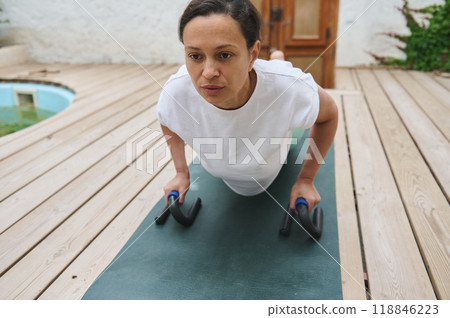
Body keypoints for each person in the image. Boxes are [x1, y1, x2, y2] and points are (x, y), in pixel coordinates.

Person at [157, 0, 338, 214]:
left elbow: (329, 115)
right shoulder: (175, 92)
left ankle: (277, 58)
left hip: (280, 143)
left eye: (224, 55)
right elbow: (167, 119)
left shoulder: (290, 88)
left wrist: (306, 179)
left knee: (281, 73)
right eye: (195, 56)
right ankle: (276, 57)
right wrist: (181, 172)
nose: (208, 73)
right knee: (278, 68)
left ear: (252, 54)